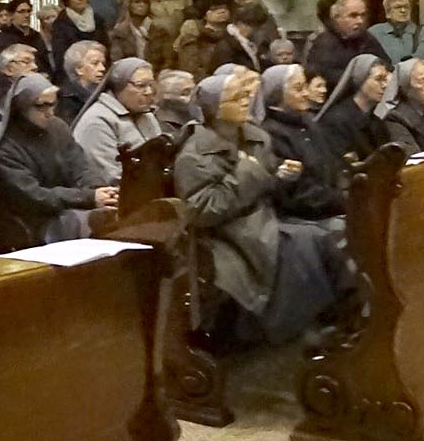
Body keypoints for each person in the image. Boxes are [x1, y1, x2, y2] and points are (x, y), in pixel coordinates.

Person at [174, 70, 344, 345]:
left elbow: (266, 180)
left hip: (264, 216)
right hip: (227, 233)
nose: (245, 102)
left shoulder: (256, 137)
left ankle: (317, 322)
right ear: (214, 108)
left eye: (245, 96)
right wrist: (246, 173)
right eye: (235, 98)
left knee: (319, 238)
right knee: (303, 243)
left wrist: (281, 175)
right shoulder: (194, 154)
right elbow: (203, 211)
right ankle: (284, 330)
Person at [0, 75, 119, 253]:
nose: (50, 112)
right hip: (37, 219)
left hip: (70, 205)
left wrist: (100, 191)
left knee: (116, 215)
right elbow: (34, 197)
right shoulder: (6, 147)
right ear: (21, 107)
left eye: (52, 104)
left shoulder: (57, 127)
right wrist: (87, 198)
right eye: (41, 106)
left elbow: (81, 167)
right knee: (92, 224)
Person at [255, 64, 348, 220]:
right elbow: (297, 194)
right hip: (302, 216)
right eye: (298, 89)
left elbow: (332, 164)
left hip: (331, 203)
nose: (306, 94)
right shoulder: (271, 133)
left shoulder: (308, 121)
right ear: (277, 94)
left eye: (305, 86)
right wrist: (344, 202)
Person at [73, 58, 163, 177]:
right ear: (120, 86)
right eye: (140, 85)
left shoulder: (147, 116)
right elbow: (109, 176)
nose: (148, 92)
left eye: (151, 85)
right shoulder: (97, 123)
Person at [303, 0, 389, 86]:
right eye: (353, 16)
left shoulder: (366, 37)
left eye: (363, 15)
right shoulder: (324, 43)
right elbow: (323, 75)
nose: (360, 21)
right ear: (336, 17)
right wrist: (361, 78)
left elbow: (387, 64)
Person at [369, 0, 424, 64]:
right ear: (388, 12)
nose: (403, 10)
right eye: (398, 7)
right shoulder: (374, 33)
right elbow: (369, 59)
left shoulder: (422, 33)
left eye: (406, 7)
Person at [56, 41, 107, 123]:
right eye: (95, 63)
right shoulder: (65, 99)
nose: (102, 68)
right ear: (79, 69)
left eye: (103, 63)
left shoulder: (107, 92)